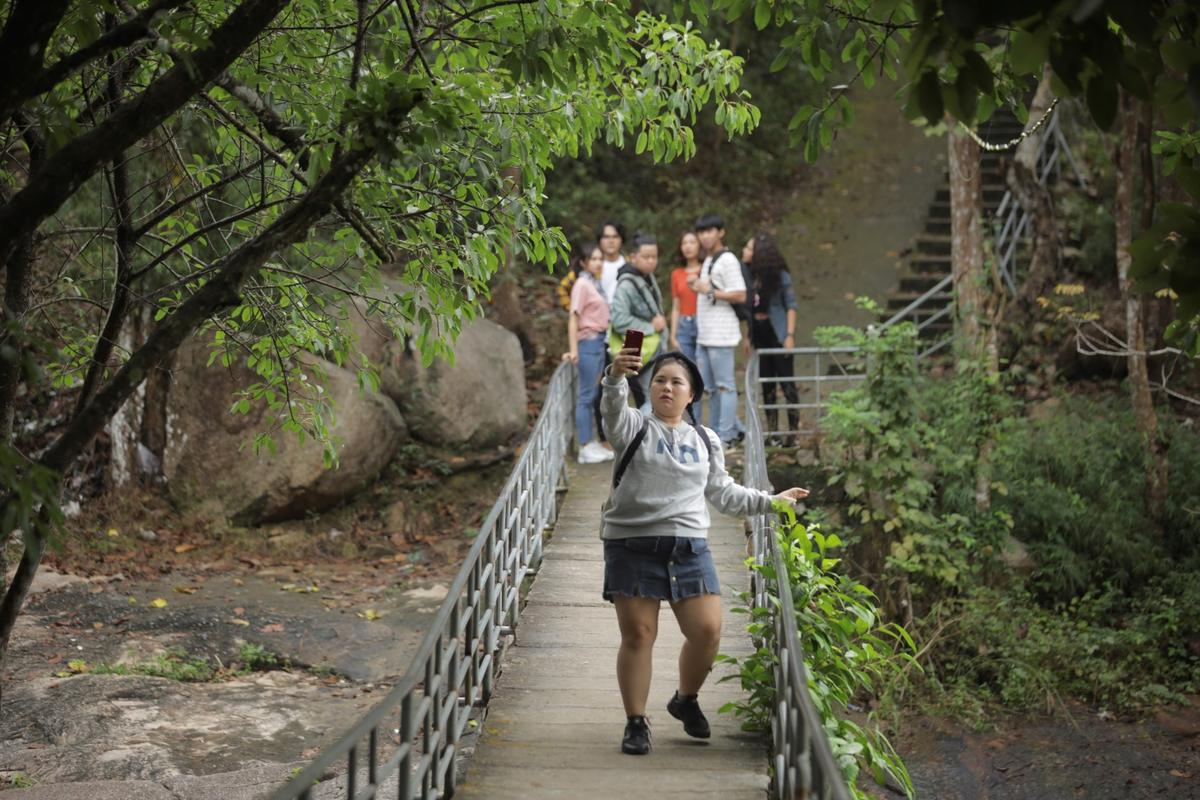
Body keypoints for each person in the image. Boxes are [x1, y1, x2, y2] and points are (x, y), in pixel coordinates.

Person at [599, 347, 809, 755]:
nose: (667, 387)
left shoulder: (705, 439)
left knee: (708, 631)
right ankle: (636, 722)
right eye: (660, 379)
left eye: (677, 382)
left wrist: (771, 501)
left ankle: (685, 699)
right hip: (632, 542)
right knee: (639, 634)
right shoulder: (631, 426)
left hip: (689, 546)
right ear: (649, 387)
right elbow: (611, 407)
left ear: (692, 394)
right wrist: (613, 376)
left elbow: (723, 494)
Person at [692, 213, 746, 448]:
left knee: (725, 386)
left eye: (709, 231)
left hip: (721, 335)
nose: (705, 236)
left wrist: (710, 291)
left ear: (721, 232)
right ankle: (716, 434)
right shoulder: (709, 260)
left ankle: (725, 436)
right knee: (710, 389)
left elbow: (740, 294)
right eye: (701, 232)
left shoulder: (728, 260)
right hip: (706, 334)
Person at [744, 233, 800, 445]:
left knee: (787, 384)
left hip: (777, 332)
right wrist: (748, 336)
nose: (746, 252)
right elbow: (748, 308)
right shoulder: (750, 275)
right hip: (760, 333)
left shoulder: (780, 275)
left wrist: (789, 335)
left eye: (750, 249)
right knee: (767, 385)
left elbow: (791, 306)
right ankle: (773, 433)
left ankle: (793, 434)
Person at [562, 244, 615, 464]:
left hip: (599, 342)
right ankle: (584, 447)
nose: (598, 262)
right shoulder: (582, 284)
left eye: (600, 259)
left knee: (593, 395)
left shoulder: (594, 283)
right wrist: (574, 350)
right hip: (588, 343)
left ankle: (590, 442)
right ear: (583, 262)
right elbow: (574, 318)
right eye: (593, 259)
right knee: (586, 396)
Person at [609, 234, 666, 410]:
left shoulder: (646, 276)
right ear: (633, 257)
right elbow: (619, 320)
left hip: (652, 347)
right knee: (651, 398)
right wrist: (651, 327)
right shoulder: (626, 284)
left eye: (654, 257)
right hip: (640, 349)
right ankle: (644, 435)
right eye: (646, 257)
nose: (651, 261)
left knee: (654, 395)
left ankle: (649, 435)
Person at [669, 231, 703, 423]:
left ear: (699, 245)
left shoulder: (706, 269)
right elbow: (675, 306)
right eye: (685, 243)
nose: (688, 246)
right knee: (686, 375)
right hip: (683, 324)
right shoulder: (676, 274)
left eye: (692, 242)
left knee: (703, 375)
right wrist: (673, 335)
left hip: (703, 324)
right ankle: (692, 423)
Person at [596, 220, 627, 303]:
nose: (611, 241)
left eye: (615, 236)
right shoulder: (592, 265)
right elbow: (564, 286)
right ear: (600, 240)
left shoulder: (630, 265)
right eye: (606, 237)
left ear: (622, 240)